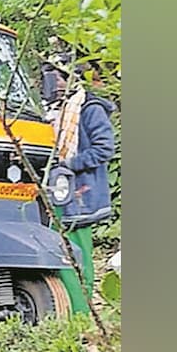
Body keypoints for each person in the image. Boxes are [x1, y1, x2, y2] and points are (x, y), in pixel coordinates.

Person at [43, 57, 117, 294]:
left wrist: (69, 164)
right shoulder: (56, 111)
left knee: (76, 257)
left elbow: (104, 148)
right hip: (59, 192)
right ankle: (64, 308)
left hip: (80, 195)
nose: (53, 84)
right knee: (59, 253)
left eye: (58, 77)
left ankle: (81, 310)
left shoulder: (90, 108)